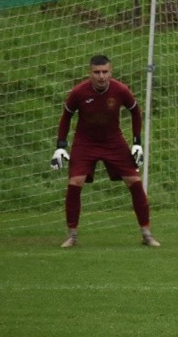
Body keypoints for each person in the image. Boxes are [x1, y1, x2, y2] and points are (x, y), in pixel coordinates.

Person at [50, 54, 160, 248]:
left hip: (113, 141)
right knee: (75, 182)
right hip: (85, 142)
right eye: (97, 72)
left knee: (135, 181)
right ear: (90, 73)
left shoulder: (120, 90)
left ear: (111, 72)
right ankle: (72, 236)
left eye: (104, 72)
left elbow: (135, 111)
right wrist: (61, 146)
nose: (101, 76)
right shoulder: (78, 92)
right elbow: (66, 116)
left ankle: (147, 234)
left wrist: (137, 142)